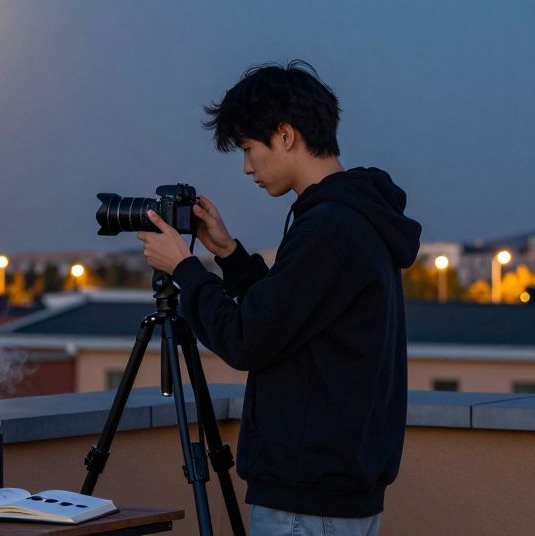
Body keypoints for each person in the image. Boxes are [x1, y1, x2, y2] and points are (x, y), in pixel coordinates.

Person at [135, 60, 421, 536]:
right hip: (336, 492)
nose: (247, 167)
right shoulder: (353, 219)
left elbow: (247, 340)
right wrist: (228, 254)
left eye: (249, 148)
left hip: (307, 502)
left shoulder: (328, 228)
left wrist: (184, 269)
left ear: (285, 136)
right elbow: (288, 317)